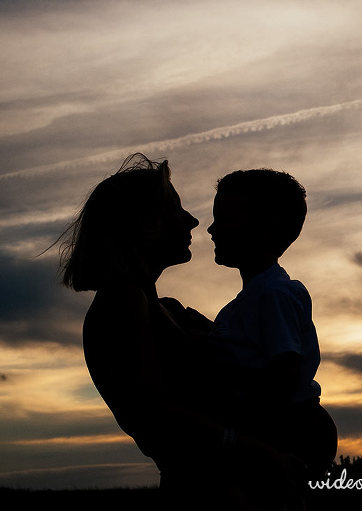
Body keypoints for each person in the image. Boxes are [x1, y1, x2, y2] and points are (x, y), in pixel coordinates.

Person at [57, 154, 296, 508]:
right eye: (176, 209)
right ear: (143, 225)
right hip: (209, 495)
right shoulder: (121, 306)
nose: (193, 220)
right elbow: (156, 417)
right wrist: (259, 452)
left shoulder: (161, 308)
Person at [206, 169, 338, 493]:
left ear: (265, 230)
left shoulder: (272, 296)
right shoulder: (254, 299)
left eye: (224, 219)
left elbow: (284, 374)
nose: (211, 229)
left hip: (286, 432)